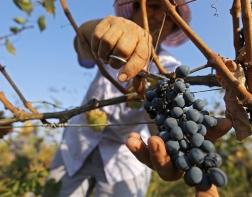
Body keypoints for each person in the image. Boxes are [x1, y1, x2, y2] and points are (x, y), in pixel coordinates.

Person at [43, 0, 232, 197]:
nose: (159, 16)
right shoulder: (112, 48)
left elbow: (160, 116)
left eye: (169, 15)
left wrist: (179, 144)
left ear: (172, 28)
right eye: (152, 5)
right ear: (133, 12)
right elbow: (82, 41)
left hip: (123, 161)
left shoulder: (170, 69)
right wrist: (112, 28)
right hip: (75, 148)